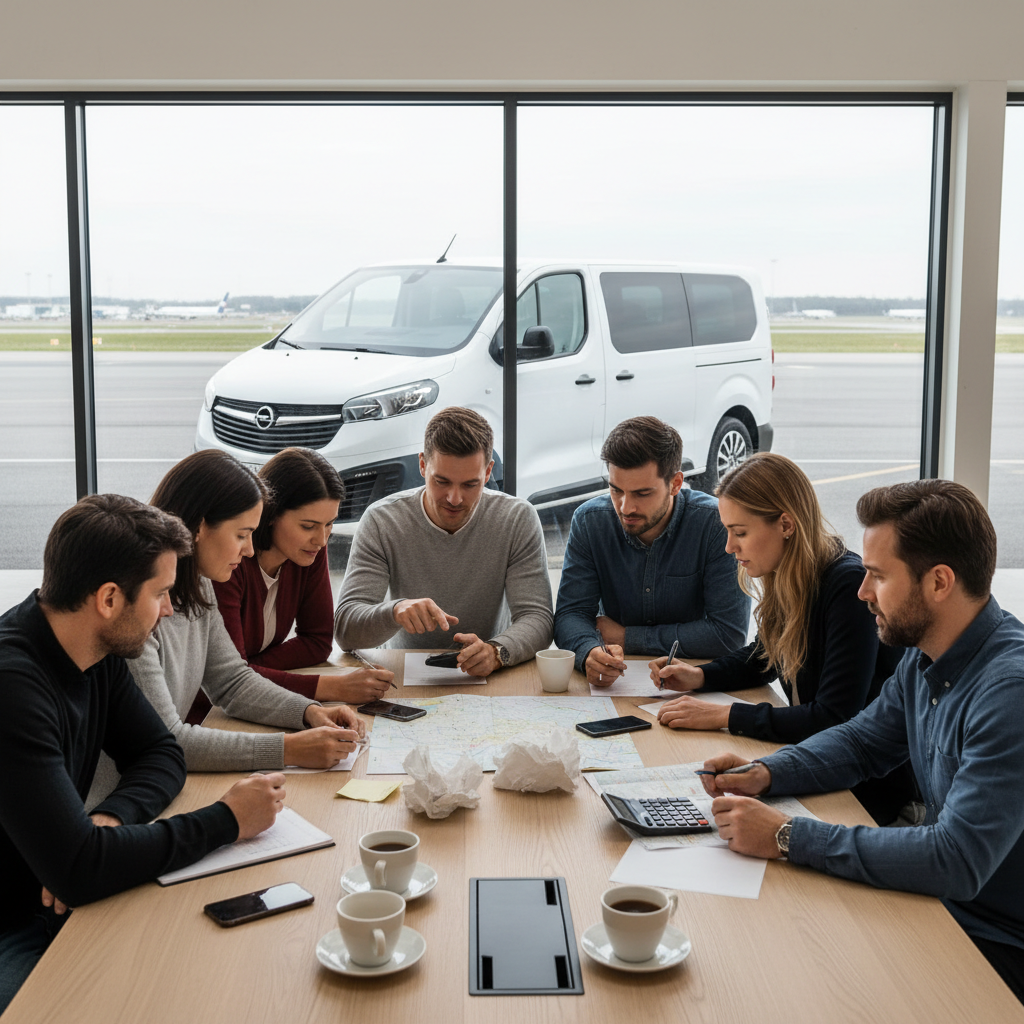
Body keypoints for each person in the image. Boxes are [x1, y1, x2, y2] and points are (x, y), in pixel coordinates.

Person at [700, 479, 1024, 1004]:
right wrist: (767, 773)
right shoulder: (926, 656)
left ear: (939, 582)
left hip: (997, 942)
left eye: (878, 575)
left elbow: (955, 859)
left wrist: (787, 836)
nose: (862, 591)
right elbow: (861, 742)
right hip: (943, 910)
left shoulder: (1009, 692)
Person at [0, 494, 286, 1012]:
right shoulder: (14, 687)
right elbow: (79, 870)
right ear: (109, 599)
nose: (170, 609)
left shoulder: (95, 649)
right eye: (160, 594)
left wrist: (112, 815)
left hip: (61, 894)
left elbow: (161, 752)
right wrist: (227, 820)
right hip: (14, 923)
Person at [89, 450, 363, 807]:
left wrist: (308, 711)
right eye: (242, 534)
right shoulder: (138, 607)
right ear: (200, 528)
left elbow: (231, 680)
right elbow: (169, 739)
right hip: (114, 802)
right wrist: (289, 748)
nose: (249, 550)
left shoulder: (199, 583)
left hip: (156, 789)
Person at [650, 452, 911, 824]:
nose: (729, 547)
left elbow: (832, 717)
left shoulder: (847, 586)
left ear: (786, 524)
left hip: (866, 793)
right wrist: (701, 676)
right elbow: (765, 655)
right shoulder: (788, 575)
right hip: (820, 767)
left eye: (740, 532)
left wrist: (724, 715)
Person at [335, 406, 553, 675]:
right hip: (401, 670)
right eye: (441, 481)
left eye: (470, 484)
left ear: (488, 472)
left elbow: (538, 618)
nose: (454, 498)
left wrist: (497, 651)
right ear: (422, 465)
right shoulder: (382, 521)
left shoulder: (517, 518)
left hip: (490, 672)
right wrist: (394, 611)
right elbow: (345, 630)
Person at [553, 415, 749, 686]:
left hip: (694, 680)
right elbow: (570, 615)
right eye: (616, 490)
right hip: (615, 681)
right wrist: (588, 652)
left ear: (675, 484)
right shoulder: (590, 521)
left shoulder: (715, 524)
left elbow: (728, 634)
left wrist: (627, 638)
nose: (625, 507)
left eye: (642, 494)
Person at [206, 447, 393, 716]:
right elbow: (226, 680)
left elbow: (318, 641)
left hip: (251, 698)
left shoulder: (308, 552)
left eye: (329, 524)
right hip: (210, 712)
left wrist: (249, 669)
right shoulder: (229, 562)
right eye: (308, 526)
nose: (322, 540)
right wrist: (330, 687)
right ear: (270, 514)